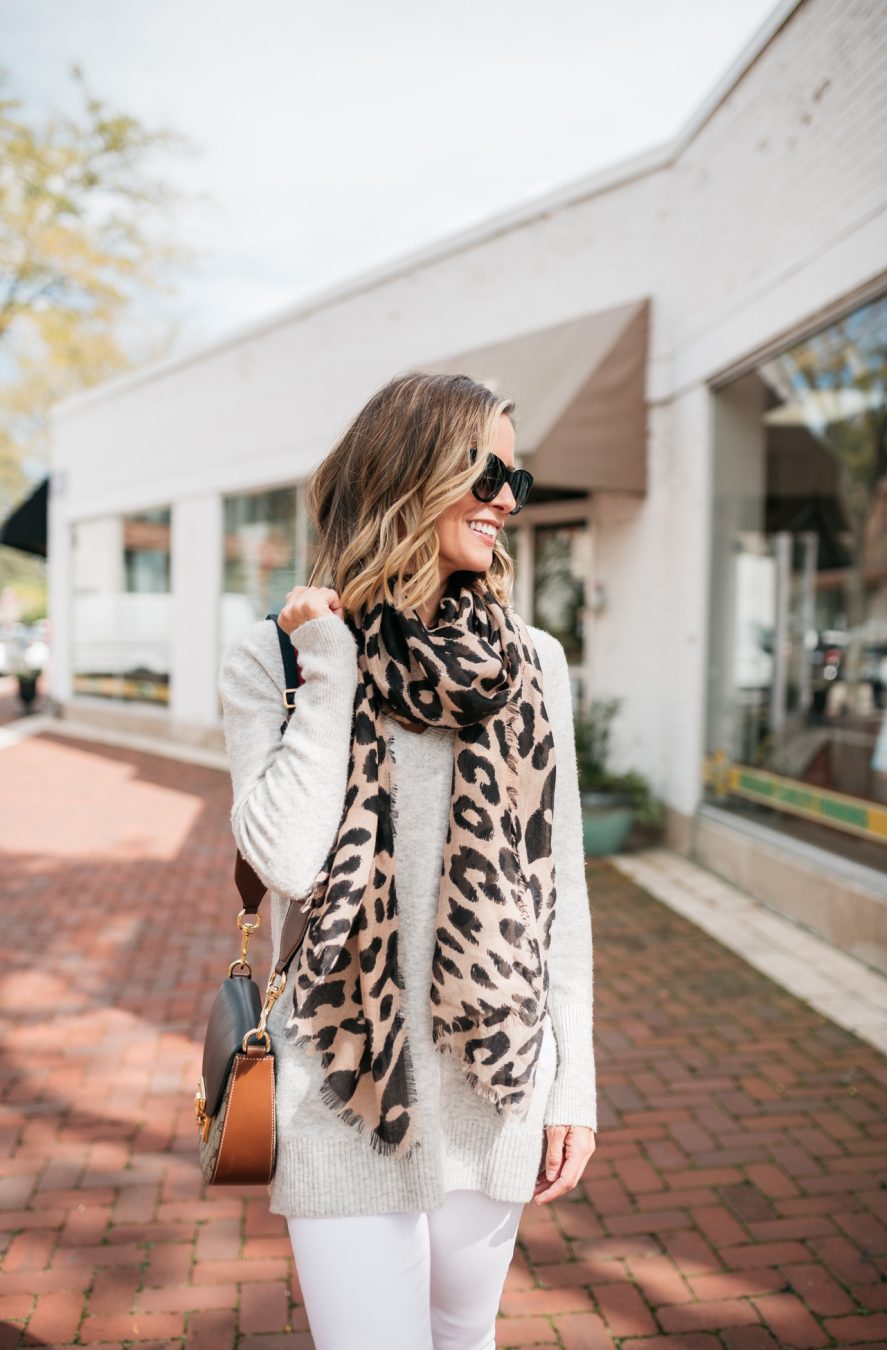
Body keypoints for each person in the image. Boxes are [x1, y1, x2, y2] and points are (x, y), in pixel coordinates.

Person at [217, 371, 598, 1350]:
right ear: (410, 476)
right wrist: (334, 670)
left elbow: (563, 898)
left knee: (463, 1341)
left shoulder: (532, 661)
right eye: (488, 470)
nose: (510, 497)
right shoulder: (278, 657)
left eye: (519, 473)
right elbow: (291, 862)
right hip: (345, 1078)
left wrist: (576, 1088)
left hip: (495, 1076)